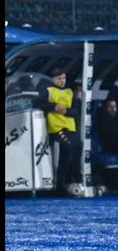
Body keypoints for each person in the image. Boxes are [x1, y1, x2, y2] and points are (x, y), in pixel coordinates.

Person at [36, 68, 82, 196]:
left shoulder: (69, 92)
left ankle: (65, 183)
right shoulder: (48, 90)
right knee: (68, 148)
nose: (62, 81)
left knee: (72, 152)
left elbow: (75, 111)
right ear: (52, 79)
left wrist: (66, 111)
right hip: (56, 127)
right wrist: (54, 107)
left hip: (69, 127)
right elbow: (39, 103)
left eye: (64, 78)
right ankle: (62, 183)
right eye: (59, 79)